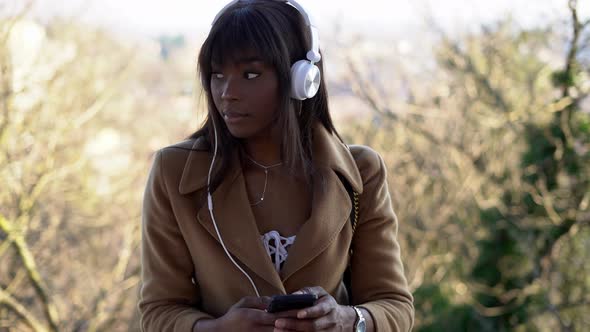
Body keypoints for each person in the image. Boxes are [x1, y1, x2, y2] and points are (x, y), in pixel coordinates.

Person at [138, 1, 414, 331]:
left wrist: (347, 320)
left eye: (250, 74)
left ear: (302, 78)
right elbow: (159, 310)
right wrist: (217, 329)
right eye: (217, 75)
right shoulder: (175, 172)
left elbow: (394, 306)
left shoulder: (360, 173)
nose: (227, 92)